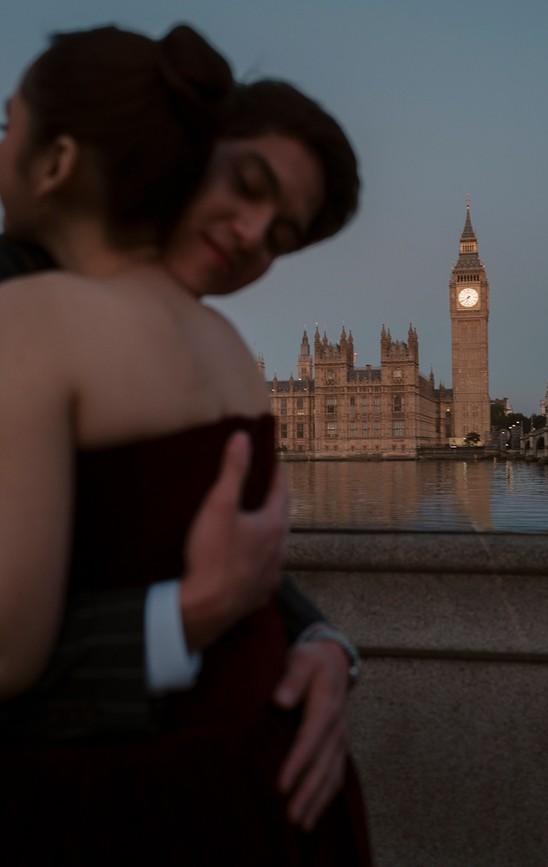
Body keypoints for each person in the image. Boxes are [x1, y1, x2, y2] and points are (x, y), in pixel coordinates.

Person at [0, 23, 371, 865]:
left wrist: (315, 640)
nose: (250, 234)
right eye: (244, 184)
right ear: (181, 143)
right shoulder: (212, 344)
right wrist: (187, 620)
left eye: (280, 236)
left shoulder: (192, 334)